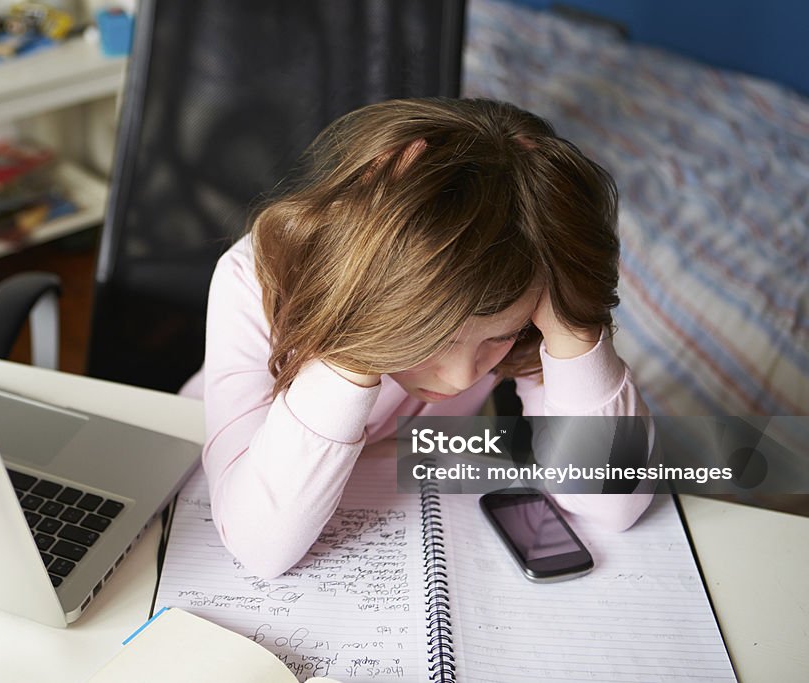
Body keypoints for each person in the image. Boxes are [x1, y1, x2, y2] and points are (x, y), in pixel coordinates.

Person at [180, 97, 654, 579]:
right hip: (206, 465)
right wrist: (361, 315)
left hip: (386, 471)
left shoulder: (521, 285)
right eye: (436, 339)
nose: (462, 377)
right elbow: (260, 548)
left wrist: (573, 325)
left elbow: (612, 506)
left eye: (502, 336)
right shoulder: (251, 278)